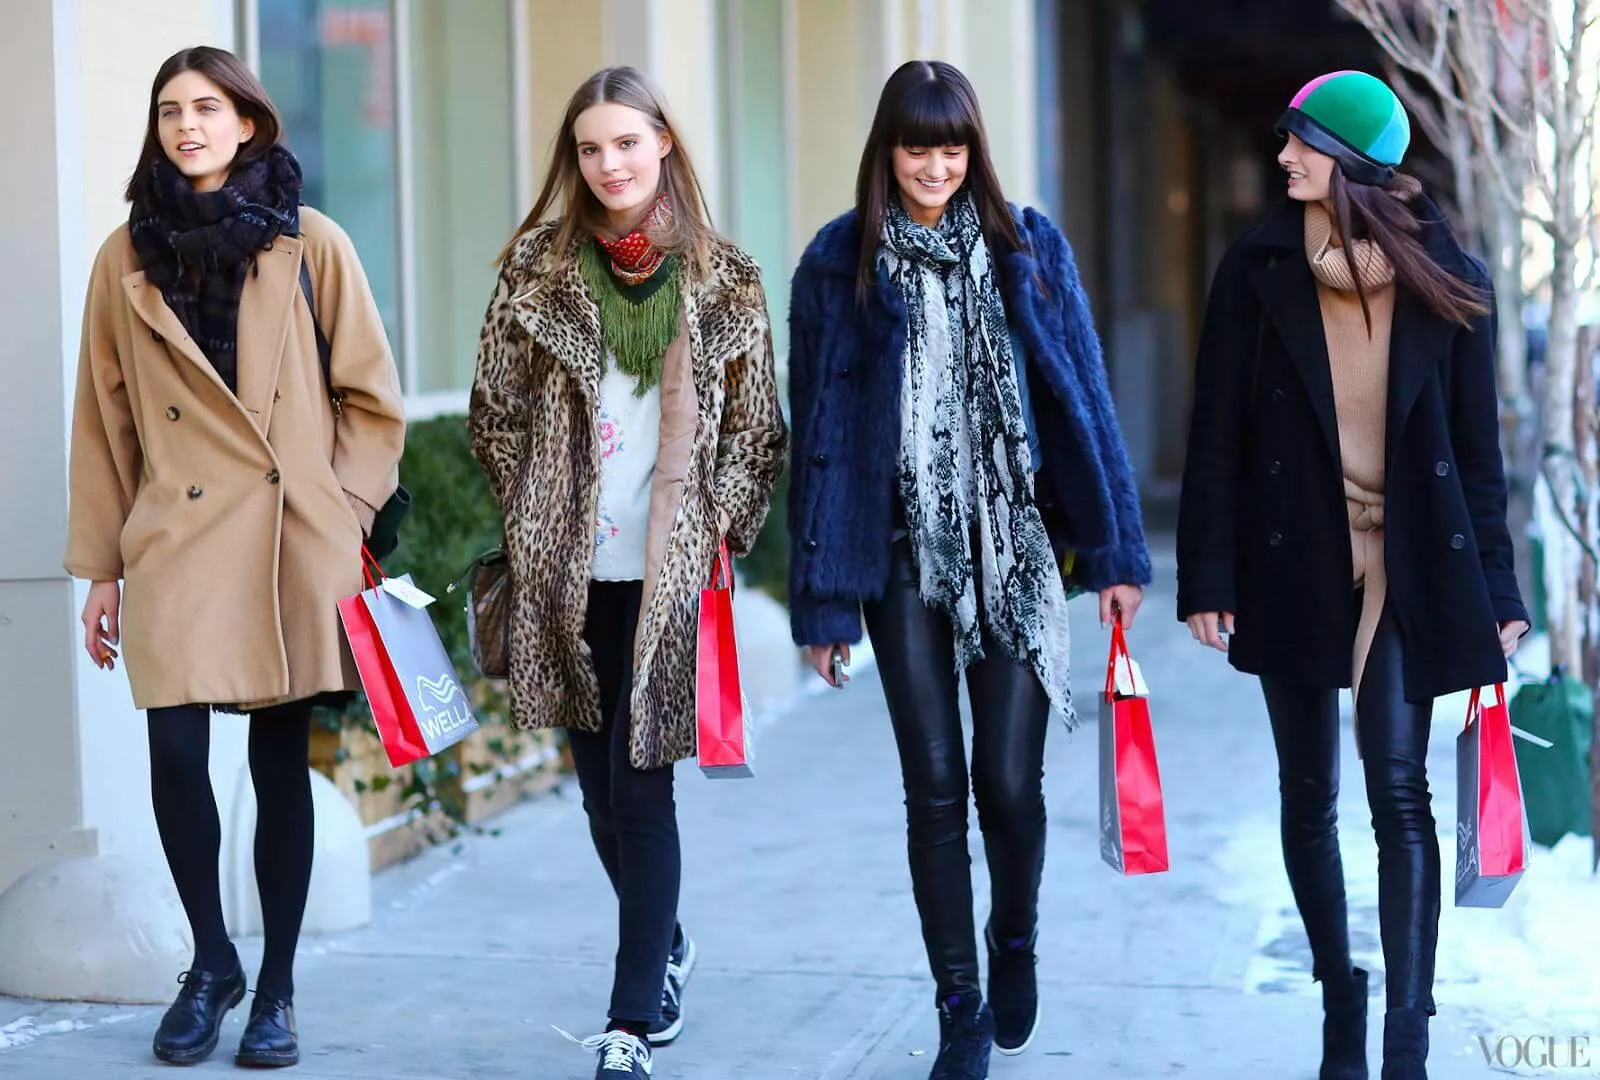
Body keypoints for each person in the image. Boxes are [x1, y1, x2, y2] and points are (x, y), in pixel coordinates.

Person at [786, 60, 1151, 1080]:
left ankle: (1015, 938)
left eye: (951, 148)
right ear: (885, 151)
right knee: (935, 786)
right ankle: (958, 1007)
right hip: (899, 550)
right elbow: (815, 426)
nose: (935, 166)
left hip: (1018, 545)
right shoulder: (835, 265)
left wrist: (1116, 547)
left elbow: (1085, 393)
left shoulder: (1027, 248)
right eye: (916, 147)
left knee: (1006, 782)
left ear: (972, 149)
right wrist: (822, 599)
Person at [1176, 71, 1530, 1080]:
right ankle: (1341, 979)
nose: (1282, 156)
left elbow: (1477, 451)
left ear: (1352, 162)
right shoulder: (1253, 267)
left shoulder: (1445, 276)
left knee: (1398, 792)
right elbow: (1216, 434)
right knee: (1305, 794)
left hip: (1403, 561)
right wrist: (1207, 571)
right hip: (1293, 550)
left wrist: (1497, 589)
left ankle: (1405, 1038)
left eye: (1301, 142)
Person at [65, 45, 406, 1069]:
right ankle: (212, 960)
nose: (187, 126)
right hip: (174, 533)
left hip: (287, 539)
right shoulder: (125, 259)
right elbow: (103, 423)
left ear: (248, 121)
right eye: (170, 110)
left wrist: (341, 514)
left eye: (207, 107)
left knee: (276, 765)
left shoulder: (312, 245)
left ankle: (276, 989)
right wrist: (100, 570)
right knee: (174, 756)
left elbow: (372, 400)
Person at [467, 65, 787, 1080]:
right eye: (591, 147)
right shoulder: (533, 272)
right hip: (562, 572)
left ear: (663, 145)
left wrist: (718, 524)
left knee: (642, 795)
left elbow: (755, 430)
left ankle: (630, 1014)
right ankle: (669, 946)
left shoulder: (723, 276)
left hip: (666, 578)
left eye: (627, 143)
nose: (610, 164)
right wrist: (531, 510)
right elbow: (492, 413)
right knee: (597, 796)